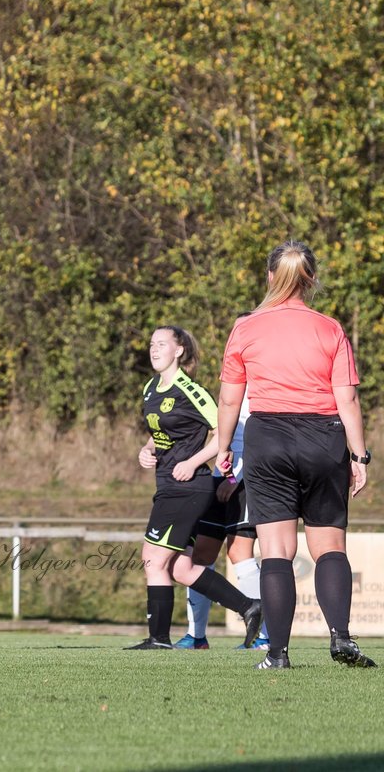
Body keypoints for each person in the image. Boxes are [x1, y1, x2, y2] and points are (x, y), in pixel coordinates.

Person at [216, 241, 374, 669]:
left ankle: (277, 654)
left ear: (270, 277)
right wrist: (359, 458)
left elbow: (231, 401)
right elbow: (349, 401)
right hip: (324, 439)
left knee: (276, 552)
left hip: (269, 439)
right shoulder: (330, 328)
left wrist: (224, 450)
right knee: (329, 547)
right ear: (311, 279)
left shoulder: (246, 328)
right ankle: (341, 637)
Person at [127, 325, 263, 650]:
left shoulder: (190, 390)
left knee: (153, 558)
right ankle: (249, 607)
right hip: (167, 485)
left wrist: (193, 462)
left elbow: (222, 433)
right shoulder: (150, 388)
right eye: (151, 343)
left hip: (189, 486)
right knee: (181, 567)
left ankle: (158, 639)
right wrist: (147, 450)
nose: (154, 348)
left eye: (162, 343)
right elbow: (159, 432)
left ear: (178, 351)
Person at [173, 394, 270, 650]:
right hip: (219, 476)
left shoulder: (262, 384)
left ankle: (265, 637)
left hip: (245, 479)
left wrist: (235, 479)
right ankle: (196, 637)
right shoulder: (230, 384)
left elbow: (263, 439)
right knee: (201, 555)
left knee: (239, 552)